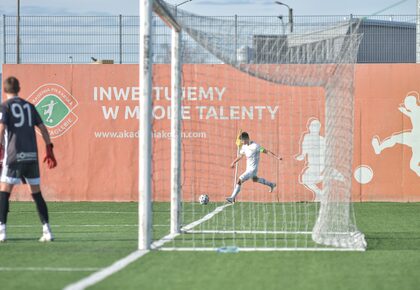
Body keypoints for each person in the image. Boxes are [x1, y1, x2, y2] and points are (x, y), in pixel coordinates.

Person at [0, 76, 57, 243]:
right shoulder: (30, 106)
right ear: (19, 88)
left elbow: (2, 127)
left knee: (4, 192)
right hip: (31, 156)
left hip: (14, 155)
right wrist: (49, 149)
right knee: (37, 193)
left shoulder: (5, 107)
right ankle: (47, 230)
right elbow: (43, 129)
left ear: (4, 90)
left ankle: (2, 230)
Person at [371, 94, 419, 176]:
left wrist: (405, 111)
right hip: (415, 139)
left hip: (416, 138)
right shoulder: (415, 110)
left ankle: (379, 148)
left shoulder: (417, 111)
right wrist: (405, 111)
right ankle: (379, 148)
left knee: (394, 138)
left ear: (411, 103)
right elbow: (412, 115)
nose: (405, 103)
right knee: (413, 165)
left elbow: (414, 115)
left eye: (406, 102)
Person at [226, 132, 281, 203]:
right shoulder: (244, 147)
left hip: (252, 169)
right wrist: (233, 162)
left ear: (246, 139)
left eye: (242, 140)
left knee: (239, 180)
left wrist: (277, 157)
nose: (242, 142)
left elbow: (267, 151)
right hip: (248, 169)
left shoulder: (255, 146)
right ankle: (271, 184)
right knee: (255, 179)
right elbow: (240, 156)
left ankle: (232, 197)